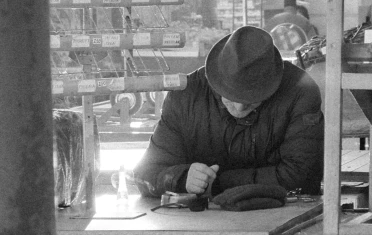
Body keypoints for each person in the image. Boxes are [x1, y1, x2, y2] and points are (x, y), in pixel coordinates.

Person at [133, 25, 324, 198]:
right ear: (215, 81)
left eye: (251, 99)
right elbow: (145, 174)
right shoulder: (186, 96)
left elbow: (302, 176)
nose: (240, 107)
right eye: (231, 96)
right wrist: (181, 179)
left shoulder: (300, 91)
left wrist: (216, 183)